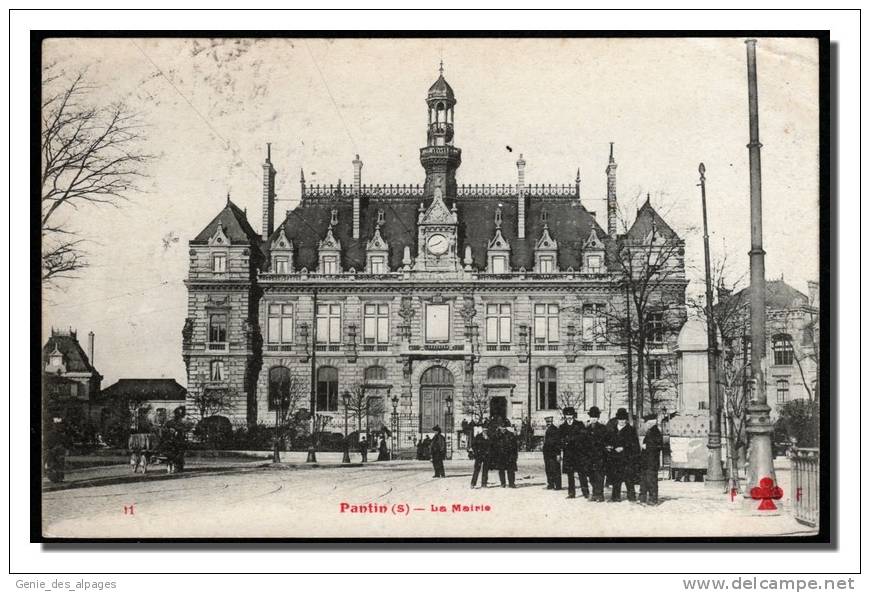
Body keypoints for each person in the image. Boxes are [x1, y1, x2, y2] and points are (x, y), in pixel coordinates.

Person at [607, 408, 640, 502]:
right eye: (620, 419)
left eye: (623, 419)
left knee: (628, 479)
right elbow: (608, 441)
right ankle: (615, 497)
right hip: (615, 458)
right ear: (617, 419)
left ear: (626, 419)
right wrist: (611, 447)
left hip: (627, 459)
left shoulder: (630, 430)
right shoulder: (612, 430)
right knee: (616, 479)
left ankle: (631, 497)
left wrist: (624, 448)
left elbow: (635, 445)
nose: (621, 421)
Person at [559, 407, 588, 499]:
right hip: (568, 454)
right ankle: (571, 493)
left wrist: (572, 439)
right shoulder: (562, 427)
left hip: (579, 453)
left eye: (570, 415)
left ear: (573, 415)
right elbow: (560, 440)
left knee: (581, 473)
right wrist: (564, 443)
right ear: (565, 416)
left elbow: (584, 437)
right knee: (570, 474)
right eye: (567, 415)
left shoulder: (579, 425)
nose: (569, 417)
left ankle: (585, 492)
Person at [584, 406, 608, 502]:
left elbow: (606, 441)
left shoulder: (603, 428)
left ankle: (600, 494)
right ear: (590, 417)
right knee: (591, 476)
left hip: (599, 456)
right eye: (592, 417)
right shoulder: (587, 429)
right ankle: (594, 493)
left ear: (598, 418)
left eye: (595, 417)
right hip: (589, 457)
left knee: (599, 475)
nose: (593, 419)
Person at [638, 414, 664, 505]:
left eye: (648, 422)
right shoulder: (651, 431)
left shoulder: (655, 432)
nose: (647, 424)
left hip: (652, 461)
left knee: (651, 480)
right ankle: (643, 498)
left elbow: (658, 446)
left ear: (652, 422)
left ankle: (653, 499)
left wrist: (647, 446)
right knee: (644, 480)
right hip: (647, 461)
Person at [542, 416, 562, 490]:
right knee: (548, 469)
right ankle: (550, 484)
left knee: (555, 469)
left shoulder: (554, 430)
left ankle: (557, 485)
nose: (548, 423)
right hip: (547, 453)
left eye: (549, 422)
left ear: (552, 422)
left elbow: (557, 443)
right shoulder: (547, 429)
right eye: (547, 422)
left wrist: (558, 454)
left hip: (553, 453)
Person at [498, 422, 518, 488]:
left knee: (511, 470)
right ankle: (503, 483)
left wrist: (515, 456)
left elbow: (515, 446)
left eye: (504, 428)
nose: (503, 430)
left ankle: (511, 483)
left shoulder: (510, 435)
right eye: (501, 428)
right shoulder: (497, 435)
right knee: (501, 470)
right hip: (501, 455)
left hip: (510, 455)